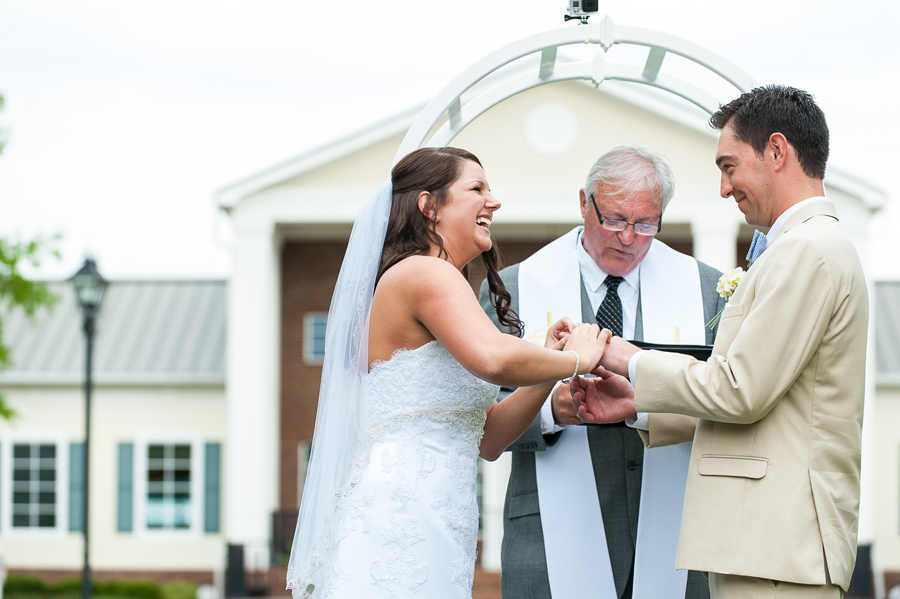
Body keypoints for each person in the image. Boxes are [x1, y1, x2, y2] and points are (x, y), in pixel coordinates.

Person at [574, 85, 868, 598]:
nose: (723, 187)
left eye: (729, 166)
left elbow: (740, 389)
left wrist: (627, 358)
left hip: (779, 546)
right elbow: (775, 407)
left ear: (777, 152)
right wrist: (636, 408)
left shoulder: (807, 251)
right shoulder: (805, 248)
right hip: (766, 545)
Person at [285, 146, 611, 599]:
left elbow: (489, 440)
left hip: (440, 511)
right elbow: (493, 358)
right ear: (429, 205)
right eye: (476, 188)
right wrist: (578, 359)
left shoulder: (431, 277)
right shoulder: (425, 273)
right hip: (402, 508)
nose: (493, 202)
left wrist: (545, 370)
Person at [479, 146, 724, 599]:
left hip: (681, 538)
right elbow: (477, 418)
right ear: (582, 203)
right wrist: (552, 408)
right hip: (548, 541)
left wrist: (645, 405)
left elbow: (726, 399)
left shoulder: (707, 288)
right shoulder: (512, 289)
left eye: (646, 223)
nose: (629, 237)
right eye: (614, 219)